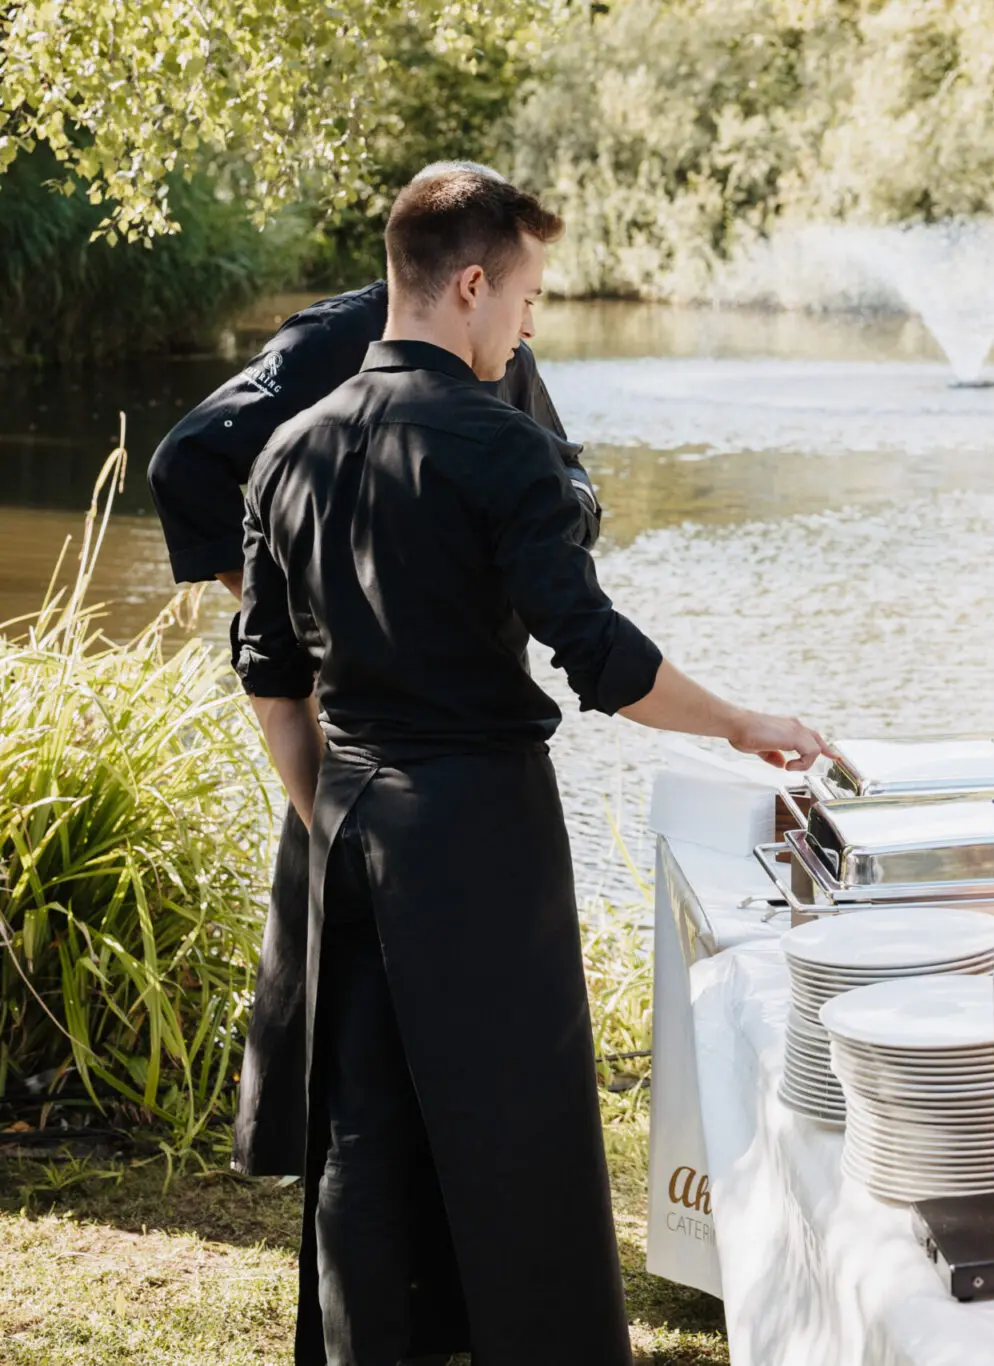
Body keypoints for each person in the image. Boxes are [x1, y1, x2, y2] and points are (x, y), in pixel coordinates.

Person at [235, 167, 826, 1364]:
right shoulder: (503, 449)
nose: (527, 325)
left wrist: (334, 811)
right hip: (482, 832)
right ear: (470, 286)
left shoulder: (286, 453)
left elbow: (271, 685)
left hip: (345, 826)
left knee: (365, 1129)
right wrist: (737, 721)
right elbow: (598, 656)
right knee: (522, 1133)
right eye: (527, 297)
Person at [146, 160, 599, 1179]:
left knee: (465, 1031)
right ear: (461, 267)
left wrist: (556, 527)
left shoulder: (502, 345)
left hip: (465, 733)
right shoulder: (334, 341)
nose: (530, 315)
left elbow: (560, 475)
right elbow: (187, 462)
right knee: (353, 1020)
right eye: (524, 291)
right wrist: (304, 614)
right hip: (355, 724)